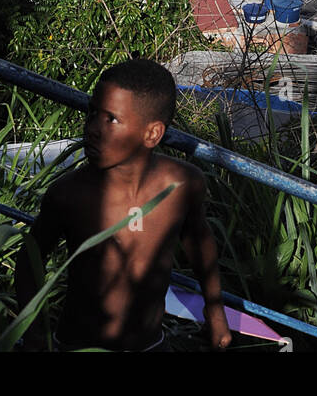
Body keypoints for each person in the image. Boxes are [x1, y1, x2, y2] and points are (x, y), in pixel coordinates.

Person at [14, 58, 232, 353]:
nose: (92, 129)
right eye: (92, 113)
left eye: (111, 120)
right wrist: (35, 335)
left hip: (151, 345)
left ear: (152, 134)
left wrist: (215, 310)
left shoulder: (181, 185)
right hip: (77, 345)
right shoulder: (69, 194)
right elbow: (30, 261)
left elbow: (199, 240)